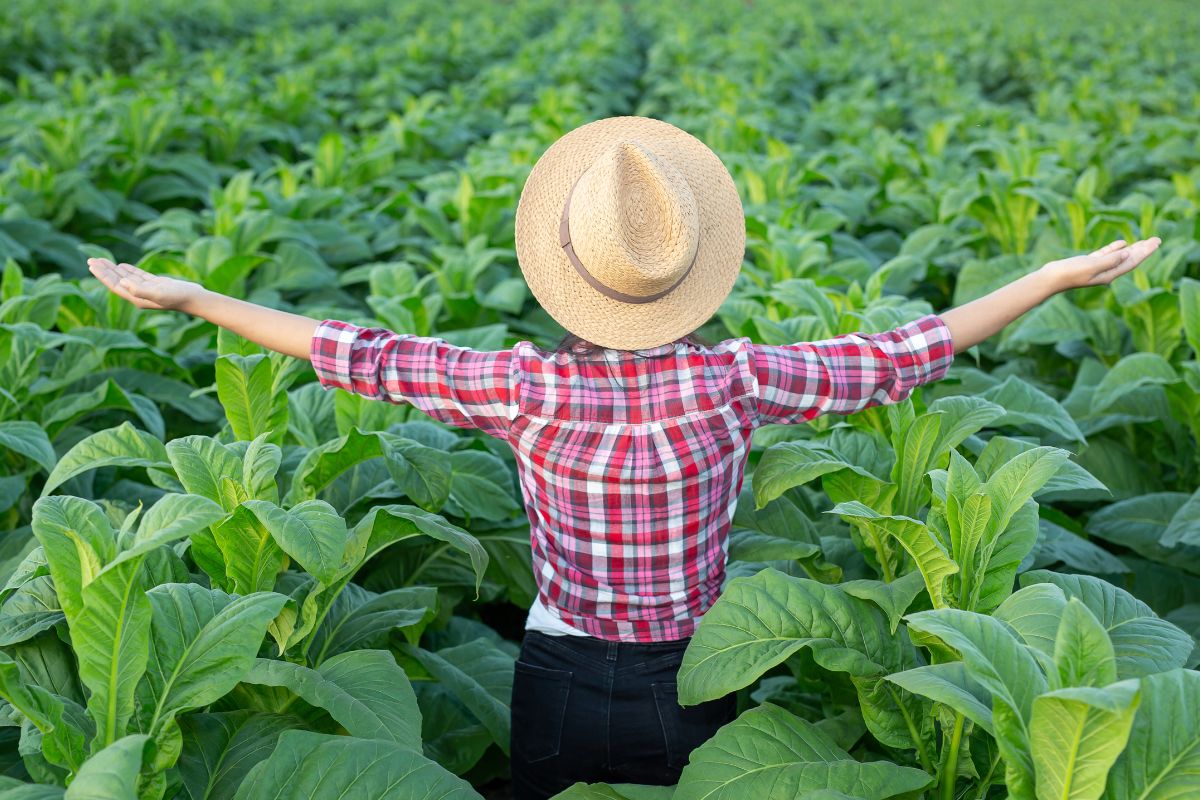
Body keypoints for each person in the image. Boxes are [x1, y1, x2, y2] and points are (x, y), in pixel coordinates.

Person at [87, 115, 1160, 800]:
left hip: (554, 673)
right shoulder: (735, 380)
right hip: (695, 673)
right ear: (687, 277)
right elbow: (903, 355)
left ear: (568, 278)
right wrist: (1053, 276)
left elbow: (359, 353)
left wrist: (198, 297)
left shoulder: (524, 386)